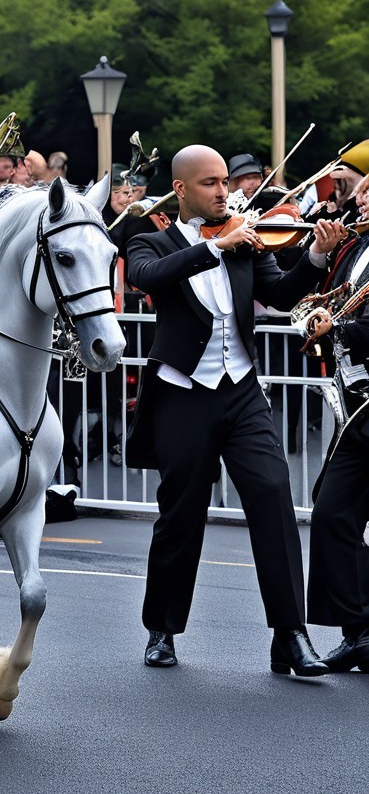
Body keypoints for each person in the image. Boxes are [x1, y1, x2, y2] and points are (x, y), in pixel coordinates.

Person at [124, 144, 343, 676]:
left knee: (272, 494)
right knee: (181, 512)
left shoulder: (248, 240)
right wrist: (215, 247)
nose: (225, 191)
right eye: (211, 183)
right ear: (180, 190)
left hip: (242, 389)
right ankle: (163, 629)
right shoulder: (149, 241)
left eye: (226, 181)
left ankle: (290, 634)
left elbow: (283, 293)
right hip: (183, 392)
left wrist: (314, 259)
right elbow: (148, 278)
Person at [300, 216, 369, 671]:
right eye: (362, 190)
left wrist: (338, 330)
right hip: (360, 407)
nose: (361, 198)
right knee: (331, 512)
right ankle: (359, 630)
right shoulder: (354, 247)